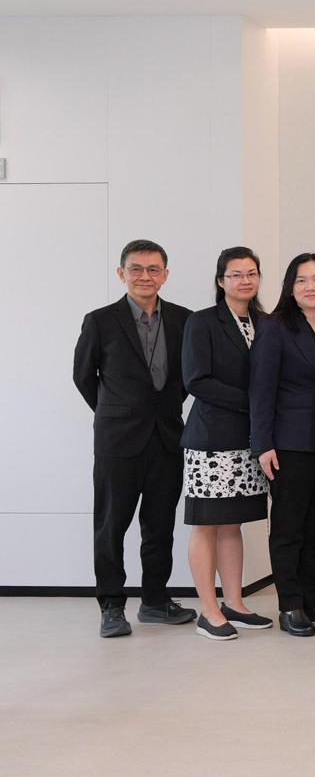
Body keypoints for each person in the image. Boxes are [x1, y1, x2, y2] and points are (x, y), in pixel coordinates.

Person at [72, 240, 195, 637]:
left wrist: (161, 412)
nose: (146, 276)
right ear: (121, 273)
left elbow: (186, 379)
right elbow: (83, 377)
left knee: (159, 525)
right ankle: (111, 606)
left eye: (154, 269)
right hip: (117, 440)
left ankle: (155, 601)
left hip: (167, 438)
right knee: (111, 526)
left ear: (166, 274)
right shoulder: (100, 320)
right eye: (137, 269)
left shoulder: (184, 319)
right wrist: (115, 411)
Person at [250, 253, 315, 637]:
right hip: (289, 444)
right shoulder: (275, 327)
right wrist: (263, 444)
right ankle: (290, 604)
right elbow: (261, 389)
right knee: (289, 527)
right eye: (302, 280)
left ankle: (313, 598)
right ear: (291, 287)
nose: (311, 287)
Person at [182, 246, 274, 641]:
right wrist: (254, 403)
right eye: (235, 274)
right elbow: (196, 380)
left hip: (247, 441)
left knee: (232, 523)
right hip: (211, 441)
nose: (244, 280)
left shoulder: (267, 322)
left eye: (251, 273)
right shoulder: (201, 322)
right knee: (206, 524)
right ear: (221, 281)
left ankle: (235, 603)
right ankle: (208, 609)